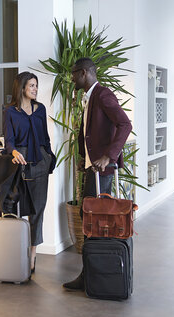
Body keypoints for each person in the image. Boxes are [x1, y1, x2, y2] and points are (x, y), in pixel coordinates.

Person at [63, 57, 133, 291]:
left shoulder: (102, 94)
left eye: (73, 73)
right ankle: (92, 272)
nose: (71, 77)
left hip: (101, 171)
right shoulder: (90, 96)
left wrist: (108, 156)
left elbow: (125, 124)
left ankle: (93, 275)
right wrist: (86, 156)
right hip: (92, 169)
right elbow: (90, 131)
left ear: (84, 73)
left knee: (94, 221)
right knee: (90, 219)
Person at [3, 71, 56, 273]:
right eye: (31, 85)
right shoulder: (10, 112)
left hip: (40, 161)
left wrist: (49, 157)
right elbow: (8, 139)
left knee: (37, 209)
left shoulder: (40, 109)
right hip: (20, 162)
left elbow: (46, 136)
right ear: (22, 87)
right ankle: (13, 252)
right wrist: (14, 151)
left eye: (36, 85)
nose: (35, 89)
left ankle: (32, 256)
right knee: (12, 207)